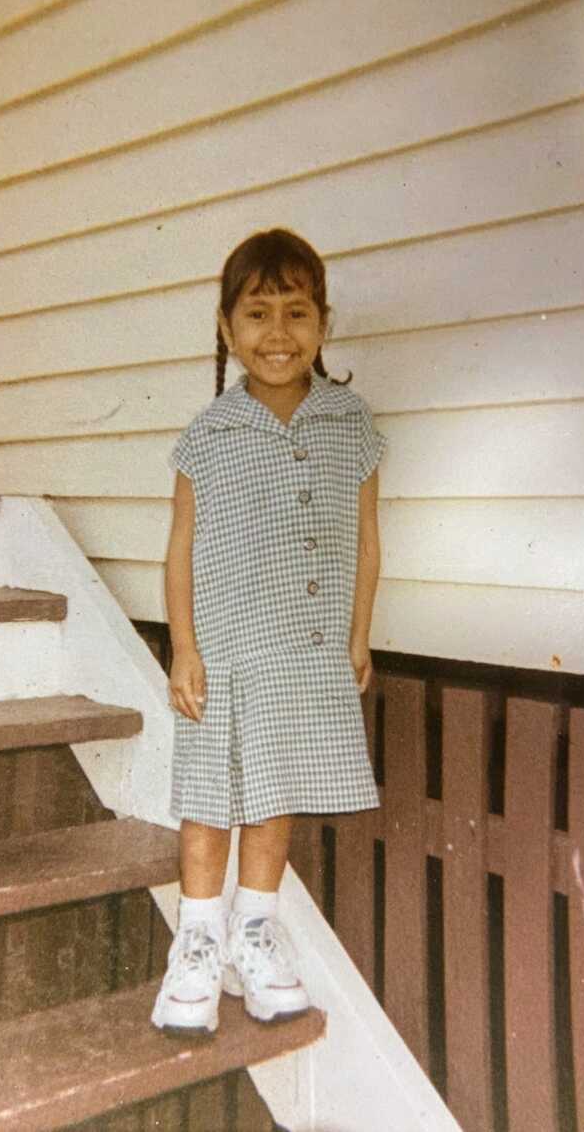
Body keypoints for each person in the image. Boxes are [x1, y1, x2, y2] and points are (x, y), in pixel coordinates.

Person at [151, 228, 386, 1036]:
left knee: (276, 790)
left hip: (305, 649)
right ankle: (197, 944)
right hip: (223, 648)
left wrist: (359, 634)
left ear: (323, 324)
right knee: (212, 798)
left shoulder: (351, 423)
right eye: (257, 313)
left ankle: (254, 935)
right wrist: (183, 645)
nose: (277, 334)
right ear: (226, 328)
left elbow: (365, 537)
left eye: (296, 312)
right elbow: (180, 545)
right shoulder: (207, 435)